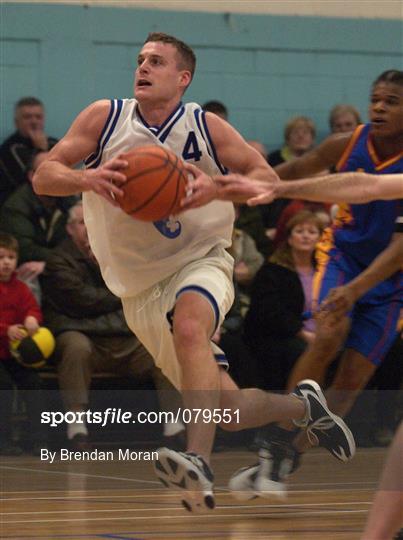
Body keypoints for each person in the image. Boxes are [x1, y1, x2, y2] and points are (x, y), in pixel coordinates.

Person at [32, 32, 354, 512]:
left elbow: (266, 181)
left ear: (182, 78)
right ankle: (304, 406)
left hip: (201, 258)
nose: (142, 66)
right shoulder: (106, 118)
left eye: (156, 61)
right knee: (230, 411)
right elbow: (43, 175)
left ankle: (197, 458)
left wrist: (221, 188)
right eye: (140, 59)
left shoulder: (206, 127)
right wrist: (87, 177)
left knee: (189, 325)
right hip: (139, 290)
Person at [184, 69, 402, 497]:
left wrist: (357, 290)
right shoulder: (349, 142)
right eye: (375, 98)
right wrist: (254, 185)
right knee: (328, 335)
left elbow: (398, 249)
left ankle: (286, 454)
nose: (378, 107)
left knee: (349, 388)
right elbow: (303, 169)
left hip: (391, 280)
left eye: (391, 101)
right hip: (341, 255)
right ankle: (276, 434)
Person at [41, 201, 184, 451]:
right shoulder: (57, 260)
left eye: (92, 222)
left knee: (163, 344)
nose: (88, 228)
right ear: (69, 229)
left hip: (122, 337)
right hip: (85, 338)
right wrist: (122, 295)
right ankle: (77, 429)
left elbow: (143, 293)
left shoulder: (120, 255)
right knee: (75, 347)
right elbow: (81, 300)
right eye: (81, 222)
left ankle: (174, 426)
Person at [0, 151, 75, 300]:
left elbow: (79, 244)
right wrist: (58, 261)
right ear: (32, 176)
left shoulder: (69, 201)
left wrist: (49, 263)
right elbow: (26, 250)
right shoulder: (16, 207)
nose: (57, 176)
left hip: (61, 267)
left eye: (60, 170)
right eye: (49, 171)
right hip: (26, 274)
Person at [0, 232, 48, 455]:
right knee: (5, 386)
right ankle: (5, 440)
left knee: (34, 383)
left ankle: (38, 439)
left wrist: (32, 318)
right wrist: (5, 329)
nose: (6, 262)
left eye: (10, 257)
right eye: (1, 257)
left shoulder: (21, 288)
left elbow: (33, 309)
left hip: (14, 354)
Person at [0, 97, 58, 207]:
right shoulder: (9, 149)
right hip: (19, 206)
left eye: (38, 117)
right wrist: (41, 150)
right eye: (27, 117)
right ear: (17, 122)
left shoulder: (53, 142)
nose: (34, 121)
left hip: (52, 205)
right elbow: (31, 181)